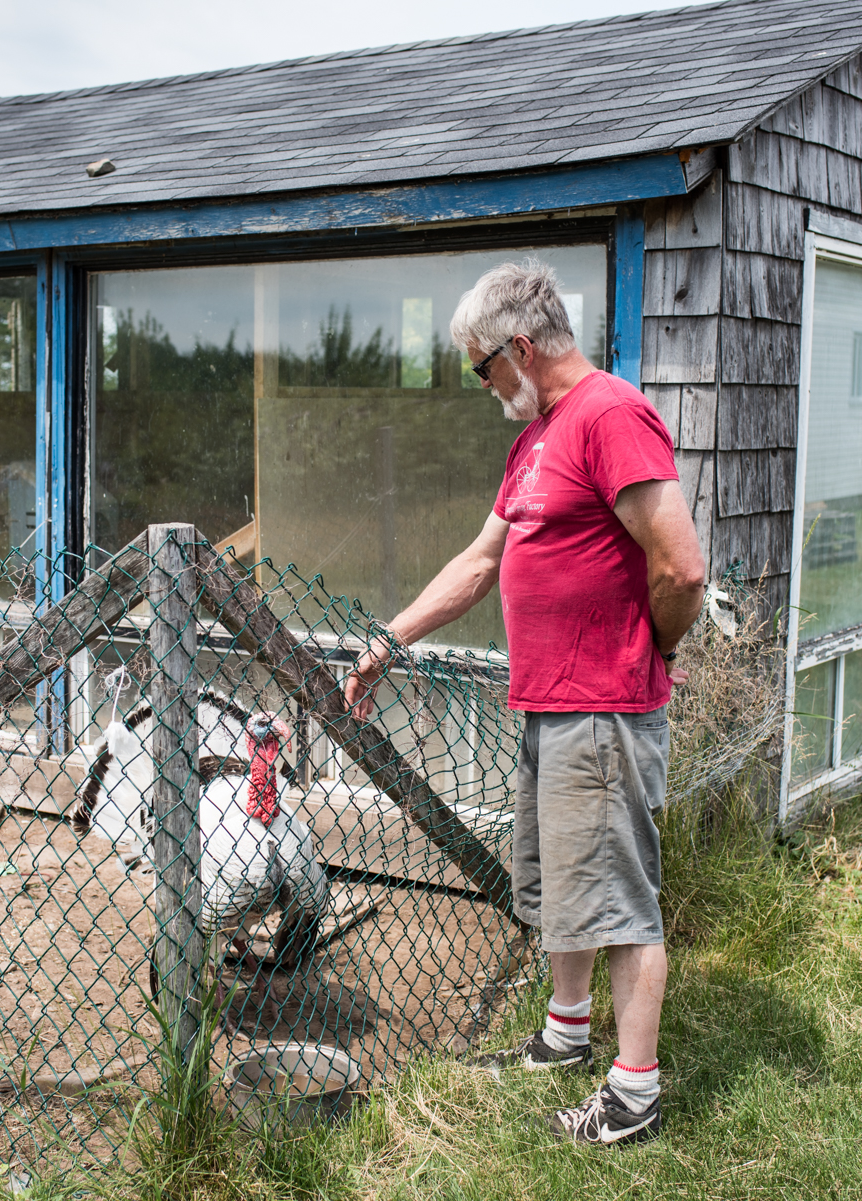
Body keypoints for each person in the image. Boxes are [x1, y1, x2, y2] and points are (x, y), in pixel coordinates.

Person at [343, 260, 705, 1146]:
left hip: (605, 707)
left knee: (618, 898)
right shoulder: (538, 435)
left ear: (519, 347)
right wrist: (389, 641)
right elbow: (478, 563)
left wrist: (647, 648)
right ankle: (566, 1035)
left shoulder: (610, 415)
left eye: (481, 368)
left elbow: (682, 566)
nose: (483, 387)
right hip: (551, 705)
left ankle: (633, 1096)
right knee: (568, 892)